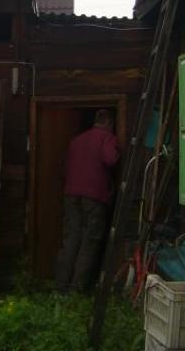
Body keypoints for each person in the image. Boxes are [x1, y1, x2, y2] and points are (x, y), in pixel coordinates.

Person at [55, 108, 121, 293]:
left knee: (71, 238)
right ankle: (77, 288)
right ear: (109, 123)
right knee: (89, 241)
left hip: (71, 194)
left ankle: (61, 285)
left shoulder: (76, 140)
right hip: (94, 196)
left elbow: (65, 166)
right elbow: (111, 160)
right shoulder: (107, 138)